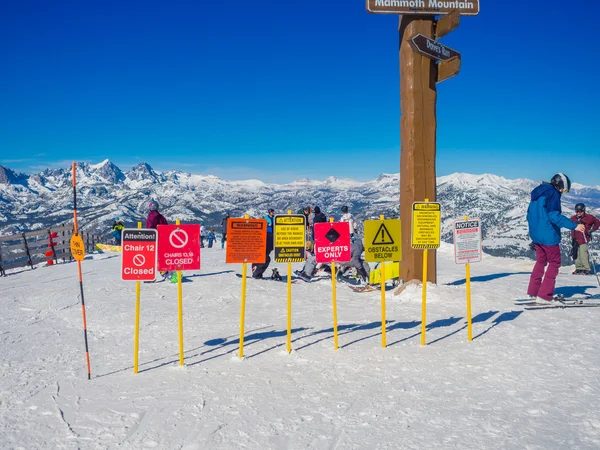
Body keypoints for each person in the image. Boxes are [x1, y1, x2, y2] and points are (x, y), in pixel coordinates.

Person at [526, 173, 585, 303]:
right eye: (563, 189)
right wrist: (574, 226)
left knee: (541, 261)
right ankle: (544, 295)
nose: (562, 192)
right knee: (555, 262)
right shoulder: (553, 194)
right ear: (560, 184)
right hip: (548, 235)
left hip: (536, 234)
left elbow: (529, 214)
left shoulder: (538, 193)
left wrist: (535, 231)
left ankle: (533, 292)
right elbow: (554, 216)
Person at [570, 203, 600, 275]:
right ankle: (579, 268)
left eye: (580, 211)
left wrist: (592, 230)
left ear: (584, 210)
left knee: (583, 254)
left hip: (584, 238)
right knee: (576, 254)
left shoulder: (589, 217)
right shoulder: (574, 218)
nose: (579, 213)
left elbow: (597, 222)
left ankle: (586, 269)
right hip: (575, 239)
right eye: (577, 211)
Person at [145, 200, 170, 281]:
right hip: (162, 240)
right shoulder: (161, 217)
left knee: (152, 257)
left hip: (153, 240)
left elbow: (149, 228)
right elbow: (166, 227)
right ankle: (165, 273)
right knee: (161, 257)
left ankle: (149, 274)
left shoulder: (150, 217)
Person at [252, 208, 275, 279]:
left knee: (268, 252)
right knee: (265, 255)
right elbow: (262, 223)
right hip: (266, 234)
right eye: (271, 212)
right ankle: (256, 271)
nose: (273, 213)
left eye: (273, 212)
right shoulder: (266, 218)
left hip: (272, 235)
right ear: (269, 212)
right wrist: (267, 224)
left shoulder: (274, 218)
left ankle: (258, 272)